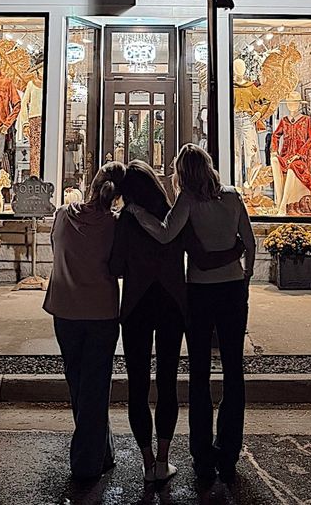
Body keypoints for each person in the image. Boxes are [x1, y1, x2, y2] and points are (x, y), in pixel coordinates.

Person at [128, 144, 256, 485]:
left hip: (200, 291)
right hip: (231, 289)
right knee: (233, 371)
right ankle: (228, 452)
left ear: (183, 172)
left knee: (199, 373)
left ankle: (202, 456)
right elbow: (250, 241)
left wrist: (140, 215)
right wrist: (246, 277)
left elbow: (167, 233)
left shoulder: (187, 200)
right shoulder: (232, 197)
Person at [43, 161, 125, 483]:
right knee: (95, 385)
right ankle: (86, 463)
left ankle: (99, 453)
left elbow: (55, 248)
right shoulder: (115, 225)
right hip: (101, 312)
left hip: (65, 309)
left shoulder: (63, 214)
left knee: (78, 383)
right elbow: (119, 268)